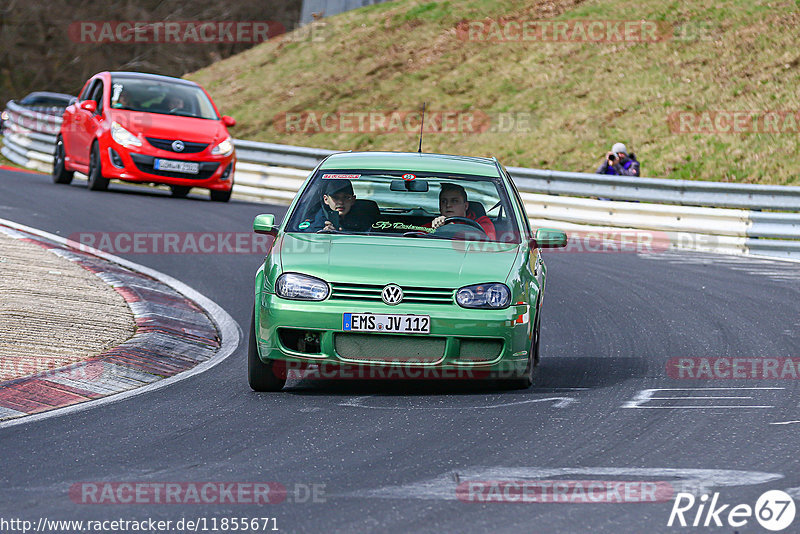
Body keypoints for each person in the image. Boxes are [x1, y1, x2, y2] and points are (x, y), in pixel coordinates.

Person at [303, 179, 378, 232]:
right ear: (326, 199)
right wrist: (322, 233)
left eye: (346, 197)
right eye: (335, 197)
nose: (341, 202)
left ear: (353, 200)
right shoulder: (316, 221)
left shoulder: (366, 219)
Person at [429, 182, 496, 239]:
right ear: (439, 206)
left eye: (454, 201)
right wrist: (435, 229)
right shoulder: (433, 224)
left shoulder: (482, 223)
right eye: (444, 201)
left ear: (466, 206)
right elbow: (420, 236)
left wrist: (451, 228)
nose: (448, 205)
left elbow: (488, 243)